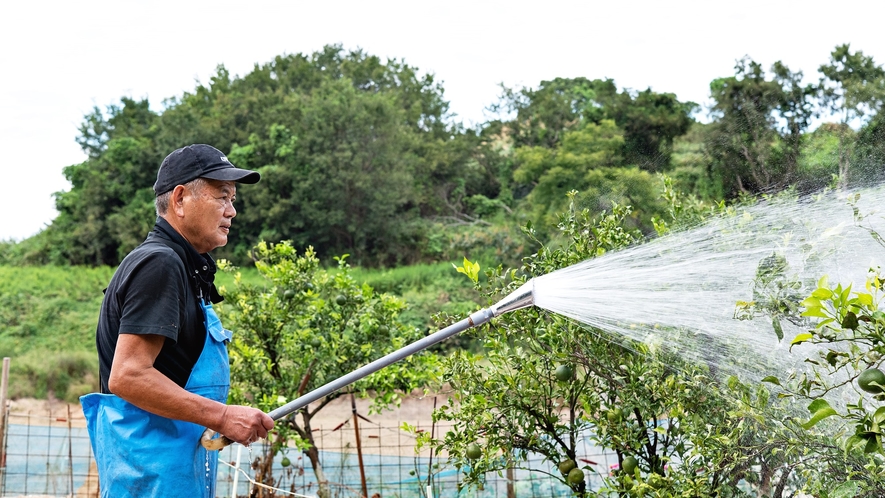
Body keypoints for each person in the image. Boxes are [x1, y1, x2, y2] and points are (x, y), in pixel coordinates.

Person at [80, 144, 275, 497]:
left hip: (173, 472)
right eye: (222, 196)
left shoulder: (185, 268)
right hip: (151, 480)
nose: (232, 211)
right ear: (181, 199)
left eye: (233, 199)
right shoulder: (160, 264)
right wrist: (222, 416)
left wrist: (216, 419)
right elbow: (128, 375)